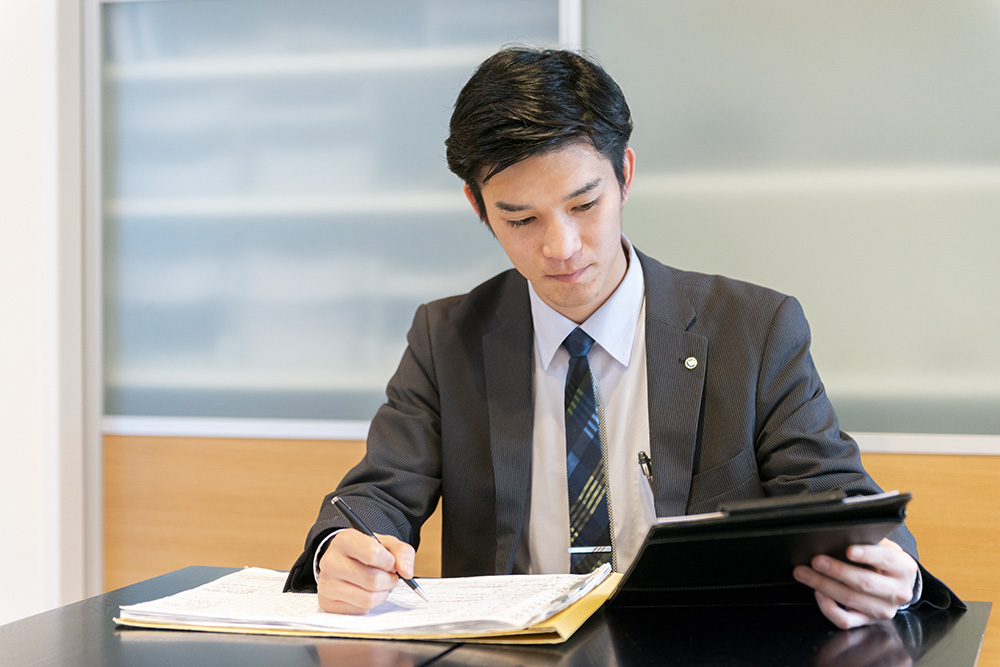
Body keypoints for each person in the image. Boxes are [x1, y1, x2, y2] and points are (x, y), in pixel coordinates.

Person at [284, 47, 959, 627]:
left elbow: (841, 499)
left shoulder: (752, 330)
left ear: (626, 175)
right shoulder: (447, 338)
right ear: (478, 208)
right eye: (521, 219)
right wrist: (342, 547)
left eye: (585, 205)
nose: (562, 247)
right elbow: (375, 495)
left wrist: (894, 574)